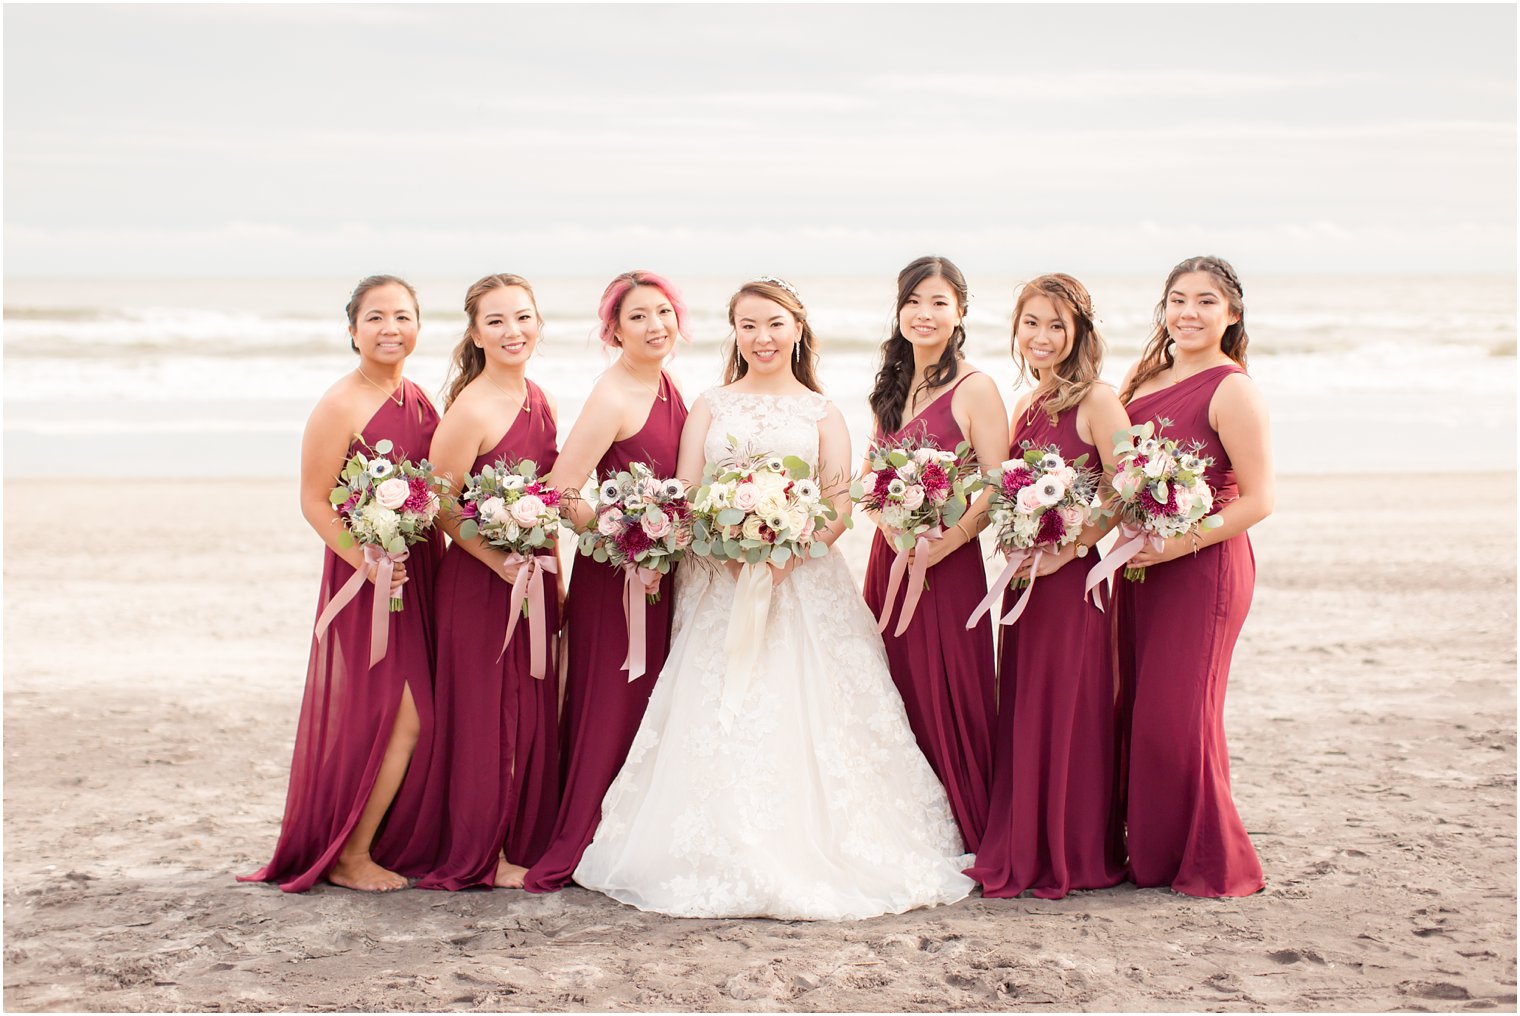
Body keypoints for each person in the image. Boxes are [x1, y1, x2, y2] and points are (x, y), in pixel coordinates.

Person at [573, 277, 973, 920]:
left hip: (803, 580)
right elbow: (687, 491)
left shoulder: (821, 411)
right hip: (717, 580)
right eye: (749, 326)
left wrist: (791, 546)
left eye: (774, 324)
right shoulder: (709, 404)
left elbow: (841, 504)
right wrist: (726, 539)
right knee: (718, 705)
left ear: (797, 328)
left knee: (811, 704)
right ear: (735, 333)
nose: (762, 338)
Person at [240, 275, 444, 892]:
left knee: (404, 715)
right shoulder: (340, 403)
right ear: (352, 330)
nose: (390, 328)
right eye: (375, 317)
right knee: (402, 716)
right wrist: (369, 562)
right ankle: (352, 854)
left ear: (417, 326)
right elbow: (313, 500)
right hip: (368, 579)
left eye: (402, 316)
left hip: (418, 571)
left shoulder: (420, 397)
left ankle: (377, 839)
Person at [372, 273, 562, 890]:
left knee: (528, 713)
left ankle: (515, 836)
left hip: (532, 576)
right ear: (477, 334)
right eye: (498, 321)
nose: (514, 331)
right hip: (482, 586)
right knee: (486, 715)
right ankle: (480, 852)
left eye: (524, 318)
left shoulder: (540, 397)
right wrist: (500, 562)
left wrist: (545, 574)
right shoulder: (470, 409)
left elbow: (547, 497)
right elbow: (443, 507)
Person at [523, 271, 691, 894]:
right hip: (615, 578)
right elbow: (561, 491)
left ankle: (630, 831)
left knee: (649, 705)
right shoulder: (614, 392)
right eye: (639, 317)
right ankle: (588, 835)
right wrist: (623, 536)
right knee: (610, 705)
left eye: (664, 313)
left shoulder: (668, 383)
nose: (655, 326)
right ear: (614, 329)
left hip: (659, 572)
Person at [964, 274, 1130, 899]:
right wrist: (1013, 532)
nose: (1041, 336)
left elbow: (1123, 489)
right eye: (1031, 323)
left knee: (1070, 708)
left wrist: (1073, 547)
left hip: (1069, 584)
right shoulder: (1026, 405)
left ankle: (1074, 851)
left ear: (1079, 333)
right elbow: (1011, 487)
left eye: (1056, 325)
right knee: (1028, 704)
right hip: (1023, 581)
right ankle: (1029, 842)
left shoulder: (1099, 401)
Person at [1115, 255, 1273, 897]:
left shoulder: (1232, 387)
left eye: (1206, 301)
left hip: (1203, 568)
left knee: (1178, 716)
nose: (1189, 312)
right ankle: (1153, 857)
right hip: (1142, 567)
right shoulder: (1145, 375)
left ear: (1231, 314)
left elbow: (1259, 499)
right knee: (1140, 710)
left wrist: (1175, 546)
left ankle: (1216, 861)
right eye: (1178, 299)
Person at [861, 255, 1006, 853]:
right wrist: (883, 516)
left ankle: (967, 822)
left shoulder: (977, 388)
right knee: (892, 685)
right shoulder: (889, 389)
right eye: (914, 302)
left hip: (948, 566)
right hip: (889, 556)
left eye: (939, 303)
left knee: (950, 689)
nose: (925, 314)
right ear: (899, 311)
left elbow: (999, 483)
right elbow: (869, 475)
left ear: (961, 313)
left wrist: (950, 539)